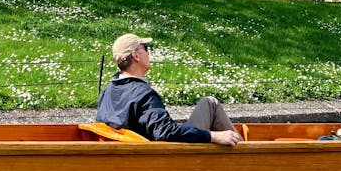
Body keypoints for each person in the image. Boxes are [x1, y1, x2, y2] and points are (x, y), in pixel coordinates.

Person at [96, 33, 241, 146]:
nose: (148, 53)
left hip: (134, 154)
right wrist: (213, 136)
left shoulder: (108, 91)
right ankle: (250, 154)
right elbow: (165, 131)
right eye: (146, 49)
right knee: (210, 104)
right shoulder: (142, 94)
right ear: (135, 56)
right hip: (167, 159)